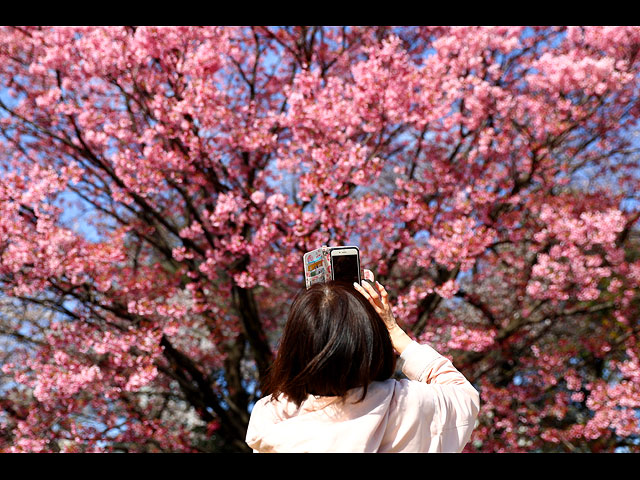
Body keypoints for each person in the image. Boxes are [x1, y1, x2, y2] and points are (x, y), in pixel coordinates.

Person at [245, 269, 480, 453]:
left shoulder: (271, 419)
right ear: (370, 343)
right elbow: (464, 396)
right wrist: (393, 330)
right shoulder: (409, 404)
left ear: (293, 349)